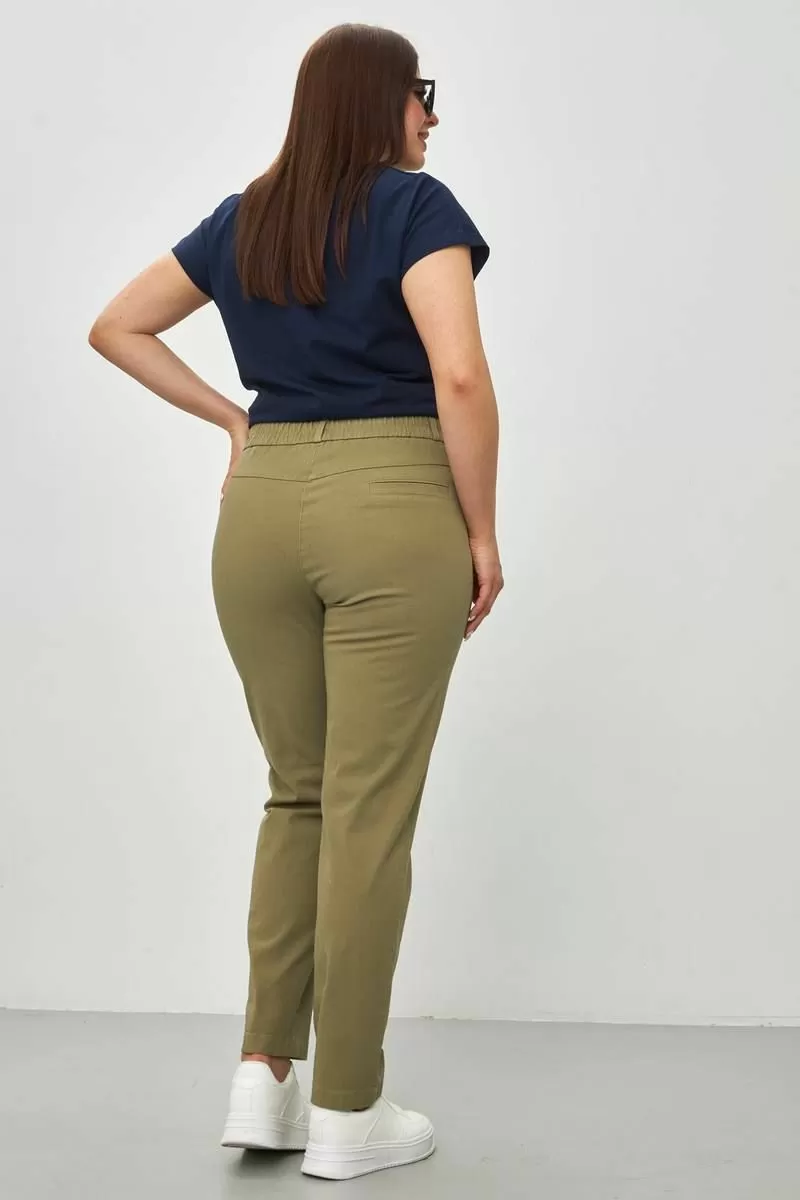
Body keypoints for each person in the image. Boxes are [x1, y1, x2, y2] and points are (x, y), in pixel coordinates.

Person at [88, 21, 503, 1182]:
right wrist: (479, 531)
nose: (430, 115)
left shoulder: (247, 217)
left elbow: (115, 324)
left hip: (259, 514)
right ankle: (349, 1111)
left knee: (299, 795)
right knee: (367, 812)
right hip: (389, 502)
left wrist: (235, 421)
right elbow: (458, 372)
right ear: (378, 100)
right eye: (420, 93)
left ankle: (264, 1081)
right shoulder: (415, 208)